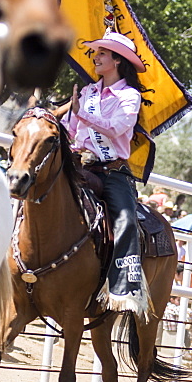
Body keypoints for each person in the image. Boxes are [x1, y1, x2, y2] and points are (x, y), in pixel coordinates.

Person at [63, 31, 151, 318]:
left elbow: (115, 128)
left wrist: (82, 114)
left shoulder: (129, 96)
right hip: (80, 166)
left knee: (125, 220)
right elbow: (71, 130)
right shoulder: (87, 93)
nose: (95, 56)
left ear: (117, 60)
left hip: (113, 172)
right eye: (96, 52)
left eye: (102, 52)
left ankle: (124, 289)